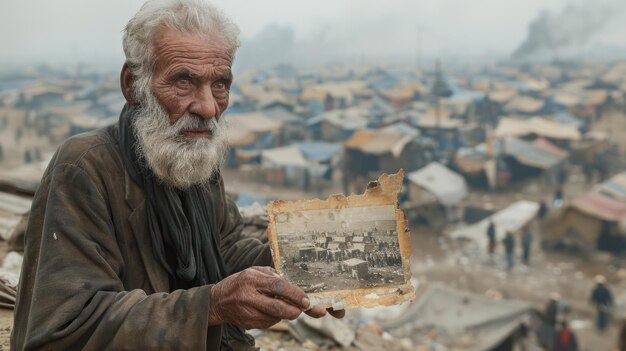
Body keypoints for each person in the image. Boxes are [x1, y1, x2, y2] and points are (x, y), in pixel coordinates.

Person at [11, 1, 344, 350]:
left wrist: (297, 265)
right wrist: (211, 305)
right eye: (184, 80)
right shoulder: (83, 169)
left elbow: (224, 247)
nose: (208, 107)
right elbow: (66, 330)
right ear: (133, 84)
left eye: (220, 83)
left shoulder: (193, 155)